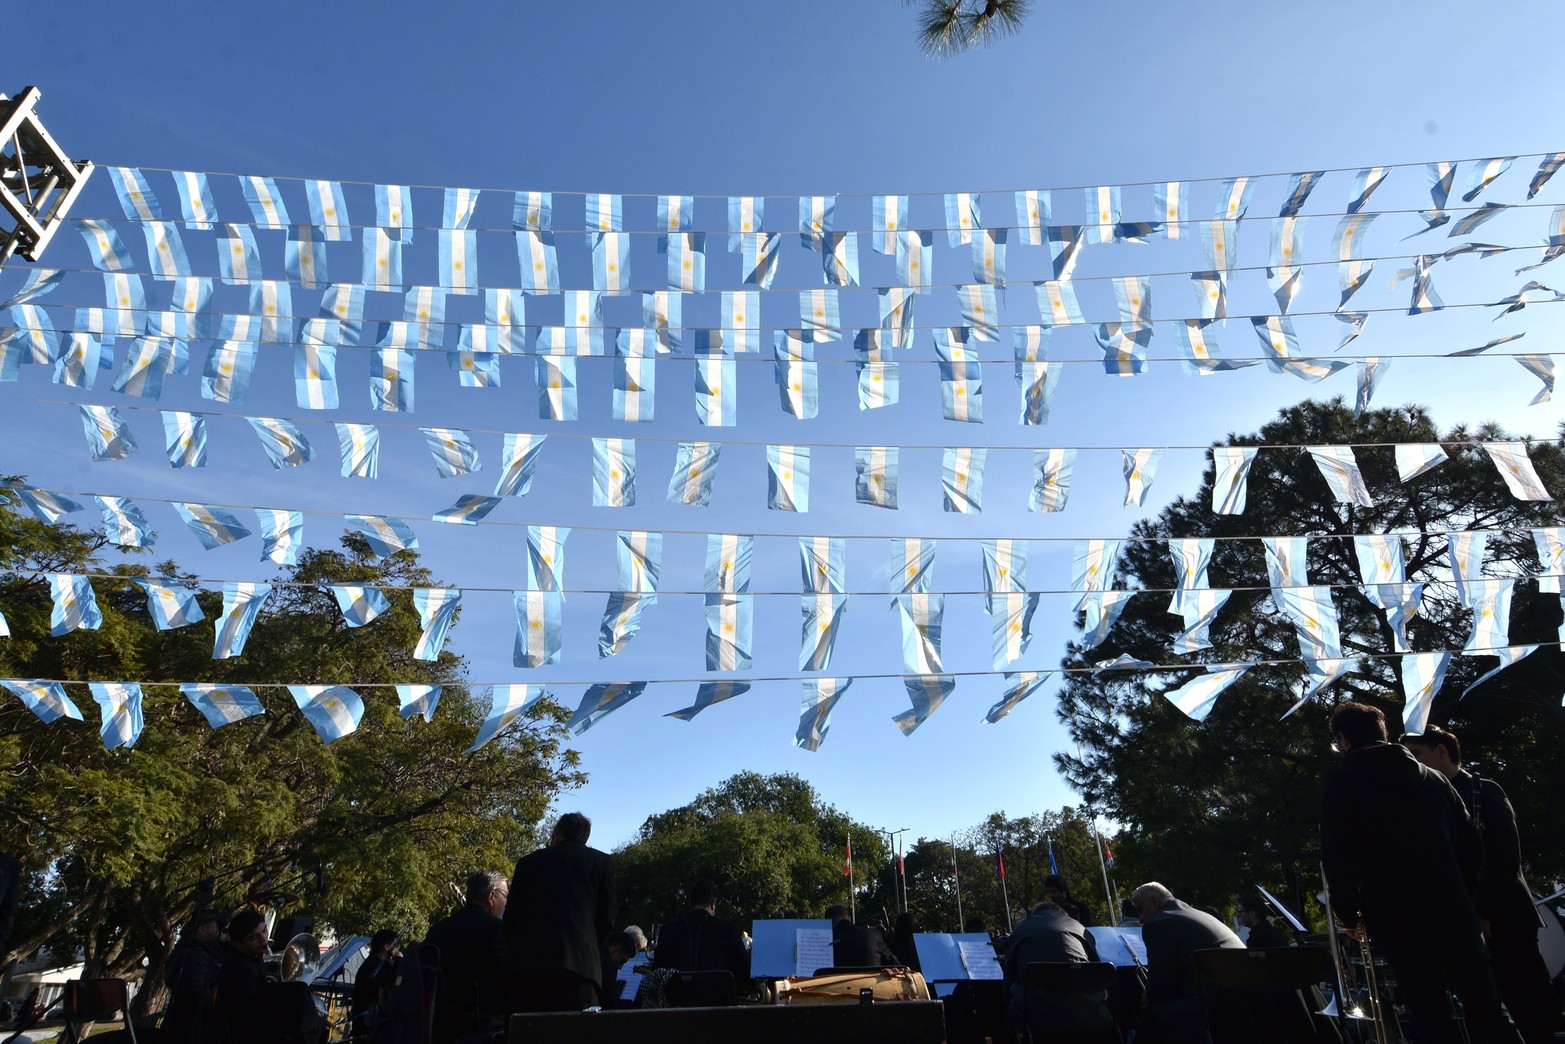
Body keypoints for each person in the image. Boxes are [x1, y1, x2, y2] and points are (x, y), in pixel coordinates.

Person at [1322, 702, 1521, 1044]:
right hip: (1454, 910)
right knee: (1486, 1008)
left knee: (1430, 1013)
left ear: (1344, 739)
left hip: (1396, 914)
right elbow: (1472, 846)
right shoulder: (1435, 779)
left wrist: (1348, 913)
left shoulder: (1342, 780)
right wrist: (1463, 895)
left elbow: (1337, 851)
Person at [1401, 725, 1564, 1044]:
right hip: (1462, 923)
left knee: (1531, 1004)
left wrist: (1484, 912)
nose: (1413, 764)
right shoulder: (1425, 800)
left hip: (1505, 918)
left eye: (1416, 754)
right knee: (1482, 1012)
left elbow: (1505, 856)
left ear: (1442, 751)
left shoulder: (1483, 790)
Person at [504, 812, 617, 1013]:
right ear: (585, 838)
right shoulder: (601, 862)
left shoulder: (528, 863)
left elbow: (510, 918)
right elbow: (607, 919)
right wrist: (588, 944)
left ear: (557, 834)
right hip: (580, 967)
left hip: (529, 966)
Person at [1129, 882, 1243, 1044]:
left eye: (1140, 910)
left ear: (1154, 902)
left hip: (1208, 1006)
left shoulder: (1159, 923)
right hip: (1238, 997)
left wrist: (1148, 993)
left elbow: (1159, 984)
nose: (1140, 919)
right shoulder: (1201, 915)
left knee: (1151, 1011)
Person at [1001, 901, 1114, 1040]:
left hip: (1037, 1014)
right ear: (1062, 914)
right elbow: (1096, 969)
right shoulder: (1079, 928)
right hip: (1088, 1012)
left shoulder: (1021, 929)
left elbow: (1009, 974)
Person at [426, 870, 507, 1043]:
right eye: (505, 896)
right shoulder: (496, 929)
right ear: (491, 896)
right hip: (481, 1030)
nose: (506, 903)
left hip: (438, 1029)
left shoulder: (437, 930)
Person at [649, 880, 750, 983]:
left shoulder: (667, 931)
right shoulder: (728, 929)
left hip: (677, 993)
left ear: (690, 903)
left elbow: (656, 972)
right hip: (717, 992)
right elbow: (745, 969)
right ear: (713, 903)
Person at [161, 909, 224, 1043]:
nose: (218, 931)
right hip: (190, 1031)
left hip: (179, 1026)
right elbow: (197, 996)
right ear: (202, 929)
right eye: (216, 927)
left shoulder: (184, 950)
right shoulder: (195, 956)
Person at [213, 908, 272, 1044]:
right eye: (254, 937)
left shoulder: (251, 955)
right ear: (237, 943)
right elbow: (251, 1016)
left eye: (264, 930)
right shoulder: (239, 969)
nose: (263, 939)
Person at [349, 929, 398, 1041]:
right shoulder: (372, 967)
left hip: (369, 1021)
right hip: (367, 1024)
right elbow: (386, 989)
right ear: (386, 946)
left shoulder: (378, 965)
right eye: (394, 945)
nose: (395, 949)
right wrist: (398, 963)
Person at [824, 903, 899, 969]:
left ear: (827, 923)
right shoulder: (874, 935)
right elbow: (896, 965)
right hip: (872, 981)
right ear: (849, 918)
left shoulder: (824, 941)